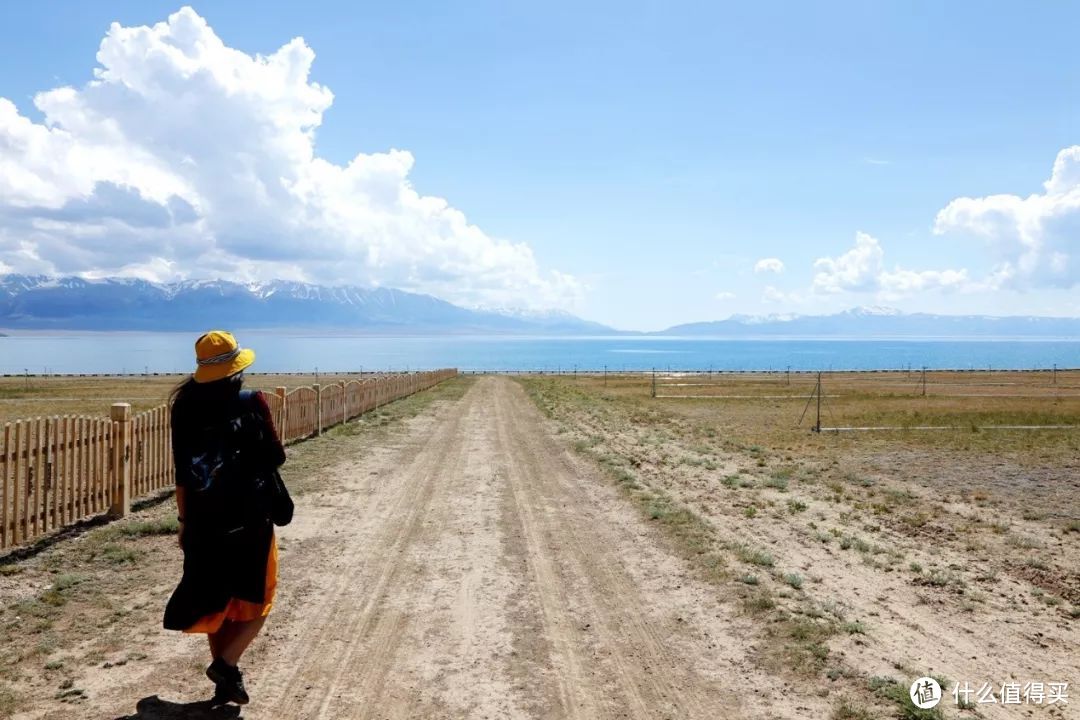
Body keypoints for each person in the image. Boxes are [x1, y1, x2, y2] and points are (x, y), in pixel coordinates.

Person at [163, 330, 287, 705]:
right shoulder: (251, 402)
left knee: (217, 604)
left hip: (202, 522)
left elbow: (183, 474)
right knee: (260, 600)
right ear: (237, 369)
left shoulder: (183, 405)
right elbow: (276, 457)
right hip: (250, 519)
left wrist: (184, 522)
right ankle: (226, 665)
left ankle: (225, 678)